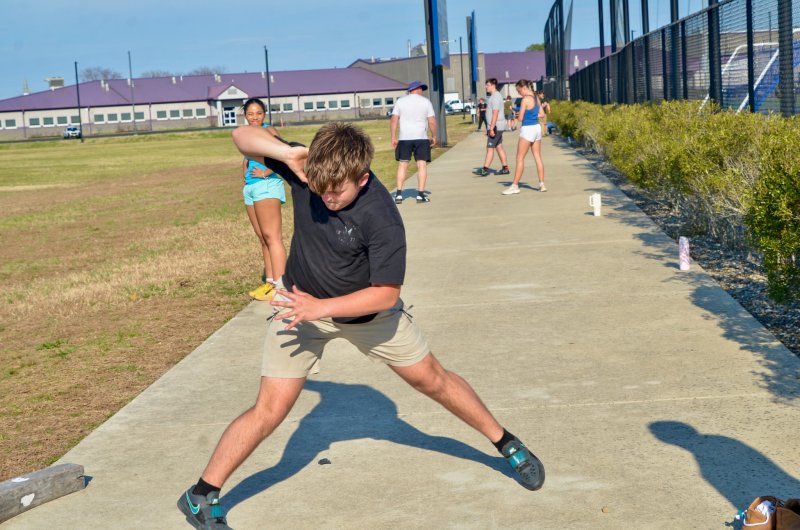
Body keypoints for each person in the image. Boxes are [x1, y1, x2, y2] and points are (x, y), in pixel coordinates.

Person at [177, 123, 545, 530]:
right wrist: (288, 155)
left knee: (433, 380)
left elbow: (385, 294)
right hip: (300, 307)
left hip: (366, 315)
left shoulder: (381, 215)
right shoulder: (310, 173)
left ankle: (507, 443)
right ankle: (200, 496)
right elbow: (243, 137)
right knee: (270, 409)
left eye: (338, 190)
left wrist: (323, 308)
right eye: (321, 188)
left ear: (363, 177)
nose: (327, 197)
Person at [240, 98, 287, 301]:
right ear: (245, 115)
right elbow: (247, 158)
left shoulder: (269, 131)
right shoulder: (248, 133)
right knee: (263, 238)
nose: (255, 117)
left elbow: (285, 155)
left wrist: (268, 171)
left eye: (258, 113)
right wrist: (245, 175)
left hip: (267, 186)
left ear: (264, 114)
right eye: (250, 114)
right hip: (251, 188)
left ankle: (282, 288)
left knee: (272, 237)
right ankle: (270, 283)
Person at [390, 80, 436, 204]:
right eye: (421, 89)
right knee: (421, 165)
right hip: (421, 137)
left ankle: (399, 195)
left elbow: (394, 120)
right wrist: (434, 135)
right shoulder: (426, 102)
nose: (422, 91)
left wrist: (393, 137)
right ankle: (420, 195)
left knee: (403, 165)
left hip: (405, 138)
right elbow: (431, 121)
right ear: (417, 89)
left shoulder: (400, 101)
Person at [503, 80, 546, 195]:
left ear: (523, 88)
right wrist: (531, 114)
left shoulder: (525, 100)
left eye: (518, 90)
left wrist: (518, 114)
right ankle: (542, 184)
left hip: (527, 129)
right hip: (537, 128)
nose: (519, 93)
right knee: (537, 156)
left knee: (520, 158)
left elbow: (520, 118)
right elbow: (542, 114)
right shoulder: (537, 98)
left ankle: (515, 185)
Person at [473, 78, 510, 177]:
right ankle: (505, 168)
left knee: (490, 148)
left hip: (496, 126)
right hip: (495, 125)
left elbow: (495, 113)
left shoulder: (495, 97)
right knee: (498, 146)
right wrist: (488, 127)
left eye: (487, 85)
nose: (486, 87)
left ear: (493, 85)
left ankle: (485, 169)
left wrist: (492, 128)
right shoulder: (493, 96)